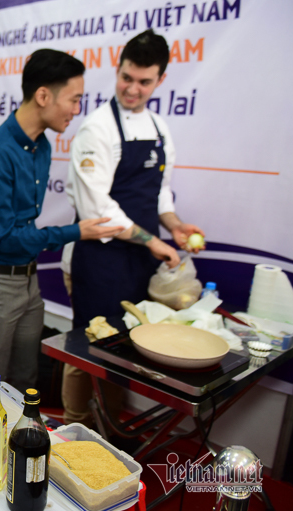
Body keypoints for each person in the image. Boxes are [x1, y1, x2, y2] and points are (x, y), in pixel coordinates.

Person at [62, 30, 205, 426]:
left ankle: (110, 431)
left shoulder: (159, 127)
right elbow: (99, 210)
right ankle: (74, 428)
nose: (133, 88)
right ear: (118, 69)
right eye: (127, 77)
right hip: (100, 260)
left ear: (160, 81)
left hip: (139, 262)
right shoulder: (98, 129)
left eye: (144, 81)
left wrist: (173, 226)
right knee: (87, 351)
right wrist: (152, 242)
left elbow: (159, 195)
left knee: (127, 350)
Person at [0, 49, 124, 394]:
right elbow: (3, 237)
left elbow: (11, 227)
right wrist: (76, 232)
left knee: (23, 384)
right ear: (44, 95)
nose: (77, 110)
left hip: (27, 281)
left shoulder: (41, 147)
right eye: (74, 99)